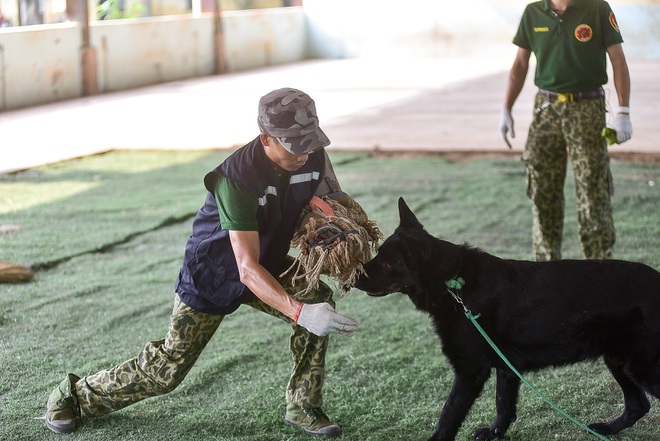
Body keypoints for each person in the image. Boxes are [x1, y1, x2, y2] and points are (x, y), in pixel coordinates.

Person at [45, 88, 359, 438]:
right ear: (266, 138)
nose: (304, 152)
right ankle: (74, 395)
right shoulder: (237, 179)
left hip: (266, 259)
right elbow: (246, 268)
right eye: (294, 143)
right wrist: (298, 312)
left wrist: (334, 229)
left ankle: (303, 405)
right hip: (215, 271)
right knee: (166, 371)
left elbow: (335, 203)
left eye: (309, 140)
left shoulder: (312, 155)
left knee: (317, 298)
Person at [499, 0, 632, 261]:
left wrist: (624, 112)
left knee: (593, 191)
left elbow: (618, 60)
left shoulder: (597, 9)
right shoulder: (533, 12)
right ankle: (547, 270)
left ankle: (598, 269)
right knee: (542, 190)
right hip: (545, 109)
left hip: (587, 108)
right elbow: (520, 64)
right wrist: (506, 108)